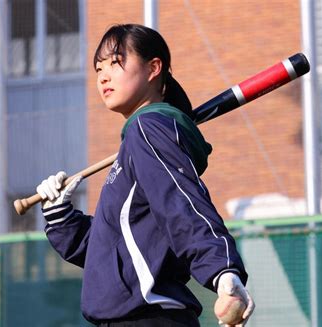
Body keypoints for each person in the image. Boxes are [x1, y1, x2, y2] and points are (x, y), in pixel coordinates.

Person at [36, 24, 255, 326]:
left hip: (150, 317)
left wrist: (222, 270)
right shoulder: (139, 138)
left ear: (154, 68)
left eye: (115, 62)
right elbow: (113, 251)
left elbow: (180, 202)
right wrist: (61, 217)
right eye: (98, 68)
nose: (103, 76)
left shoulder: (148, 128)